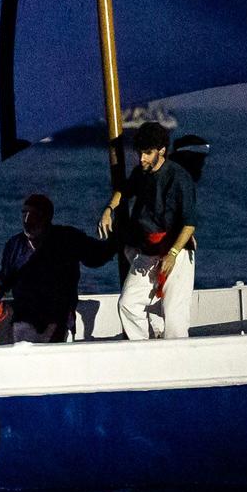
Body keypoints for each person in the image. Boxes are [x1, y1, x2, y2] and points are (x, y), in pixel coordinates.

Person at [97, 122, 198, 340]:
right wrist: (109, 209)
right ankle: (143, 353)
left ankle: (178, 366)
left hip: (176, 251)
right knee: (128, 304)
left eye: (147, 153)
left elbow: (189, 224)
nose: (141, 158)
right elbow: (124, 190)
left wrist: (172, 254)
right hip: (147, 250)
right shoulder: (140, 172)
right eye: (140, 153)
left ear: (161, 151)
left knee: (175, 317)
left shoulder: (180, 178)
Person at [0, 194, 116, 342]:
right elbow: (4, 279)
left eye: (33, 215)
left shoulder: (67, 238)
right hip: (24, 318)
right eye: (24, 214)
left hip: (57, 319)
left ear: (46, 217)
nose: (26, 220)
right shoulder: (15, 245)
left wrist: (117, 238)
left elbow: (96, 257)